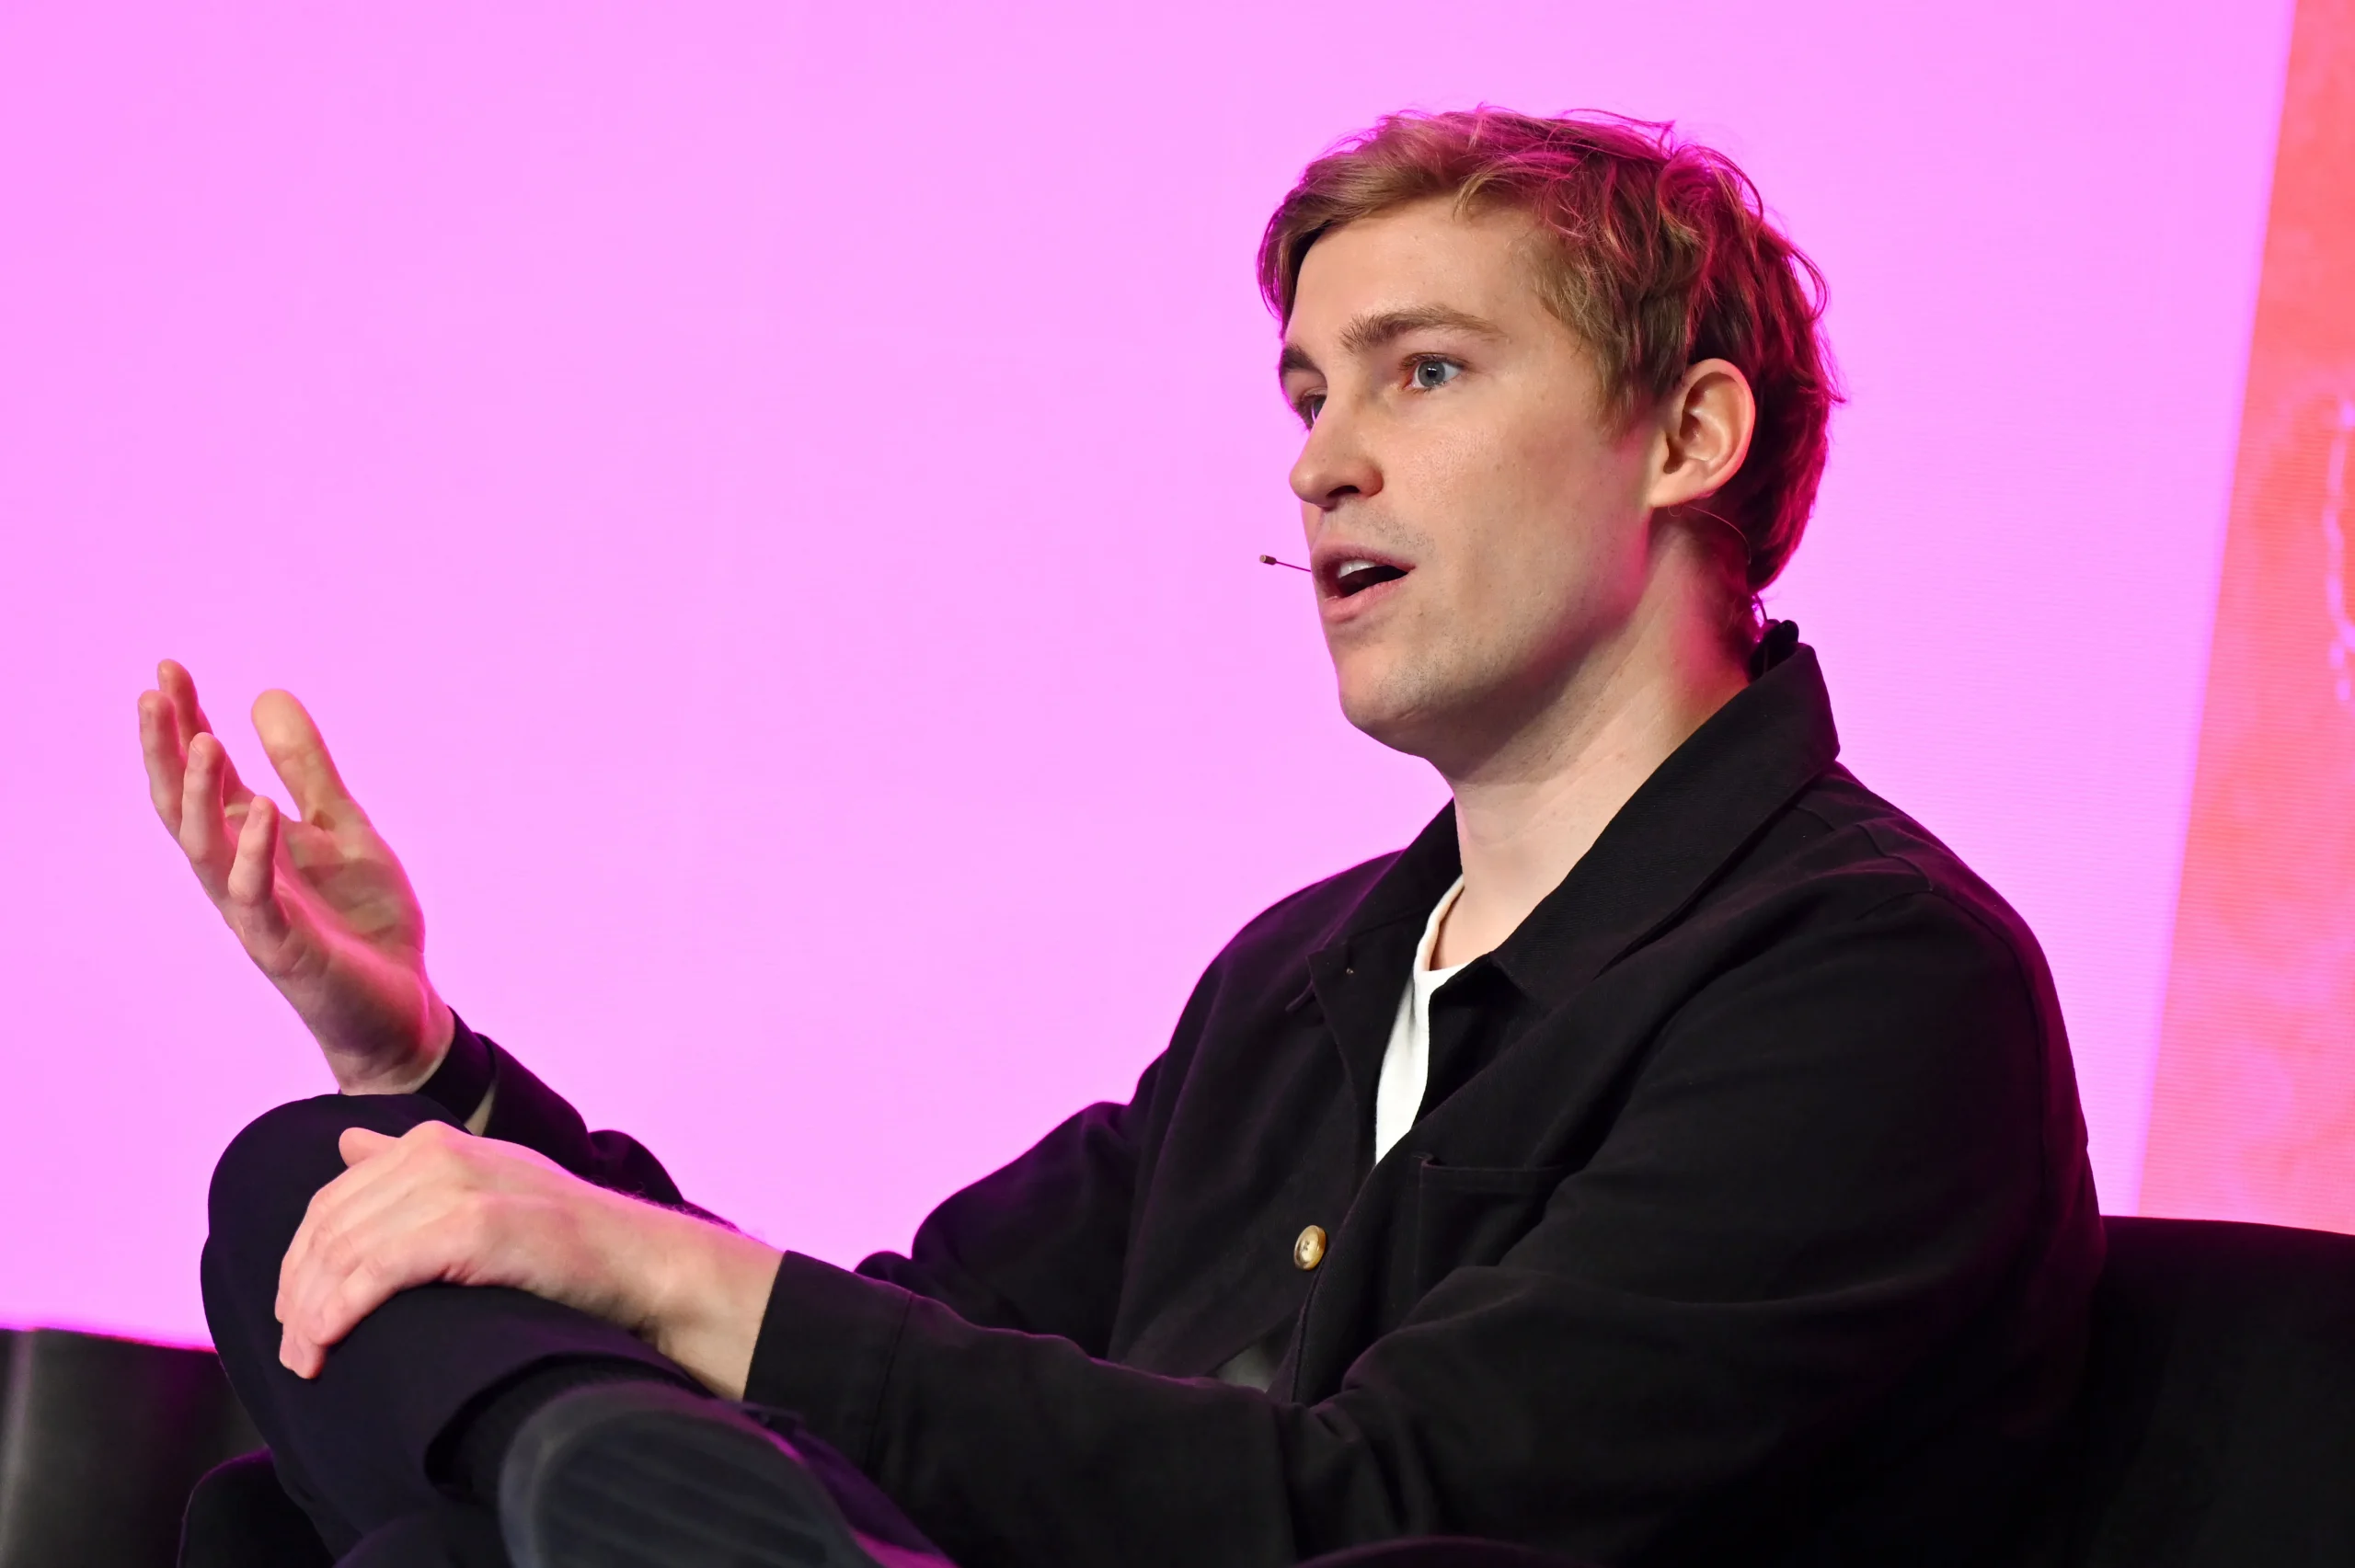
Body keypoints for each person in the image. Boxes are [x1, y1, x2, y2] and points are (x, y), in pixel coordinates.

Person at [147, 109, 2103, 1568]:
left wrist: (638, 1290)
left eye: (1422, 372)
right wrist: (428, 1072)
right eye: (1308, 392)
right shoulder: (1303, 975)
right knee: (321, 1181)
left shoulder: (1869, 985)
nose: (1319, 460)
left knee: (408, 1523)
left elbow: (1386, 1511)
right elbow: (903, 1338)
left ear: (1686, 438)